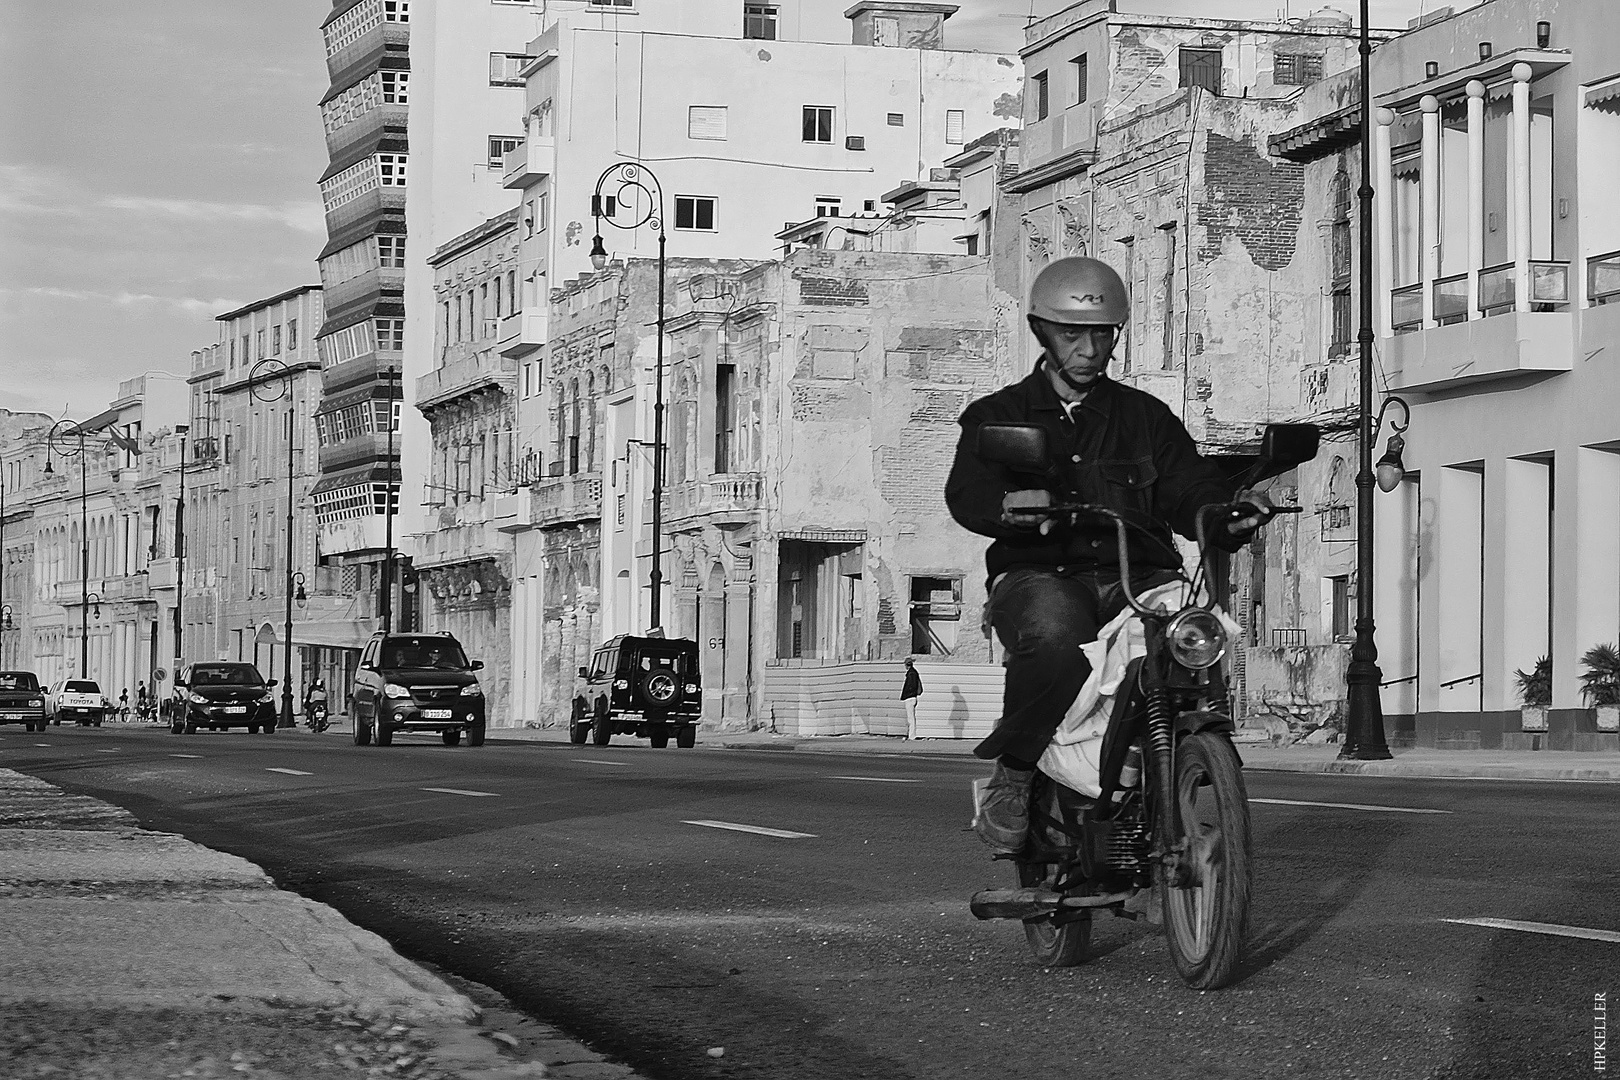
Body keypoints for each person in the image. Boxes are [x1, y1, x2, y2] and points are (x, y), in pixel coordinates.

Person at [945, 256, 1273, 855]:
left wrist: (1227, 513)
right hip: (1042, 574)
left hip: (1139, 575)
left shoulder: (1146, 418)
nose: (1090, 349)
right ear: (1042, 331)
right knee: (1056, 632)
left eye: (1102, 334)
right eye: (1074, 334)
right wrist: (1009, 504)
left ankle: (1185, 761)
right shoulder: (998, 415)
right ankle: (1015, 775)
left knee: (1198, 637)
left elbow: (1187, 487)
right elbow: (967, 494)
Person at [900, 658, 923, 739]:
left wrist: (906, 695)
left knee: (911, 718)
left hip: (910, 697)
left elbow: (910, 686)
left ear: (906, 665)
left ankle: (912, 736)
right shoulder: (914, 673)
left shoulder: (911, 674)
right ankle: (910, 734)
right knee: (911, 717)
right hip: (913, 697)